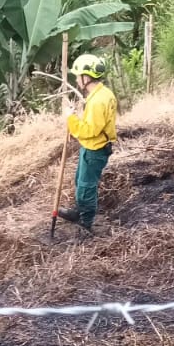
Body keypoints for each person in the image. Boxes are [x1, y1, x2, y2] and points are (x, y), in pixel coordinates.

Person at [57, 54, 118, 233]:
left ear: (87, 77)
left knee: (86, 187)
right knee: (80, 180)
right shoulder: (100, 94)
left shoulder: (99, 101)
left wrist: (71, 119)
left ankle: (86, 223)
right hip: (90, 146)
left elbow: (89, 130)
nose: (76, 79)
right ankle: (78, 211)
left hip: (95, 149)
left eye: (78, 76)